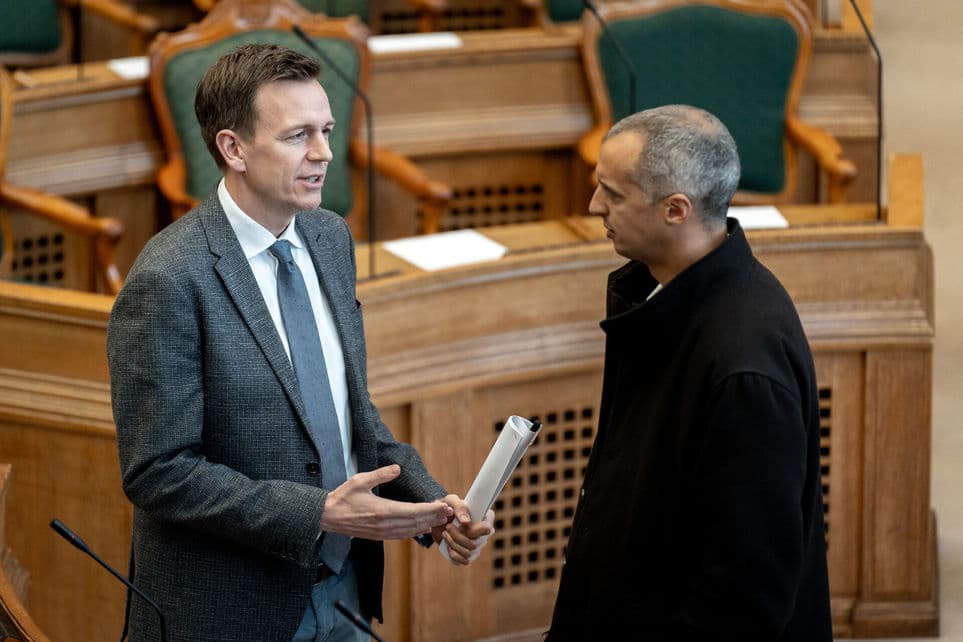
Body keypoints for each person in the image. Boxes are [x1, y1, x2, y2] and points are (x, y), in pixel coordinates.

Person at [108, 43, 492, 642]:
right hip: (233, 610)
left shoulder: (329, 238)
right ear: (233, 148)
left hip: (344, 589)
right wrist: (317, 512)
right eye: (298, 136)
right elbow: (158, 471)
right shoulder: (169, 278)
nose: (324, 153)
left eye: (327, 130)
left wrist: (433, 507)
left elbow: (347, 414)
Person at [546, 105, 832, 640]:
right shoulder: (666, 297)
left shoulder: (745, 365)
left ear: (675, 210)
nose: (593, 205)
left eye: (613, 193)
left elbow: (743, 596)